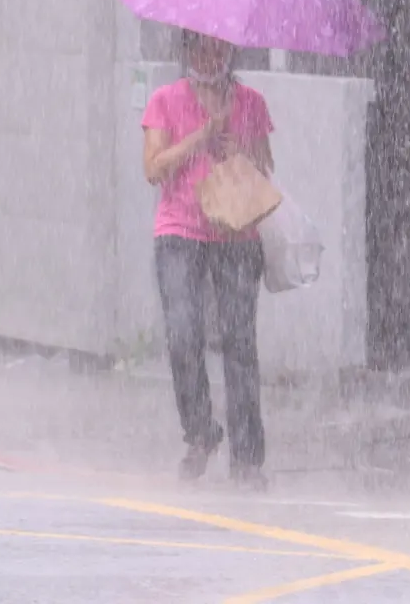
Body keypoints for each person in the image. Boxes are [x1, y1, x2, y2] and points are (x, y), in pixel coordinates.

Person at [141, 29, 274, 489]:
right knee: (183, 333)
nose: (210, 56)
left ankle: (248, 459)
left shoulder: (251, 102)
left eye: (219, 46)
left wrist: (239, 148)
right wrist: (200, 137)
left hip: (236, 230)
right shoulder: (165, 100)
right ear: (187, 51)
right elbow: (153, 168)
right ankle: (200, 432)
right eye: (200, 46)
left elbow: (266, 167)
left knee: (240, 343)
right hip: (179, 230)